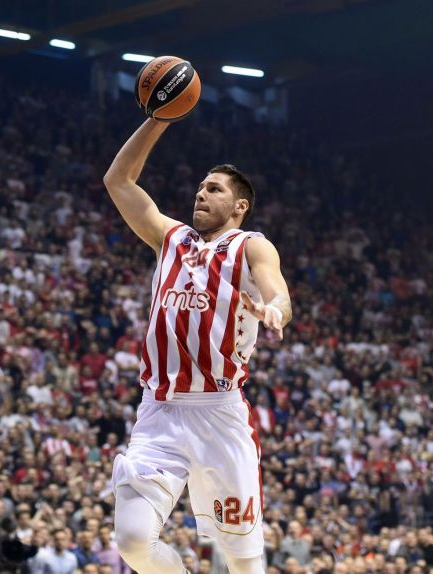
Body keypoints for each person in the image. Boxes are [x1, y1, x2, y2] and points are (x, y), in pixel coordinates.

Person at [104, 118, 292, 574]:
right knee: (132, 541)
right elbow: (118, 180)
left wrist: (274, 310)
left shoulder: (251, 246)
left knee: (244, 564)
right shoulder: (169, 237)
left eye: (213, 189)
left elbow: (279, 293)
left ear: (240, 205)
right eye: (200, 188)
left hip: (219, 413)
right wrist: (159, 119)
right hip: (160, 409)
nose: (200, 194)